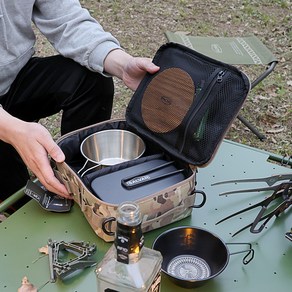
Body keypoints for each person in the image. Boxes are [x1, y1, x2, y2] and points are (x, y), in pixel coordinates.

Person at [0, 0, 160, 209]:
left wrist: (122, 65)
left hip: (13, 79)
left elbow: (67, 18)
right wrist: (13, 129)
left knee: (91, 78)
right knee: (19, 201)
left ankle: (77, 177)